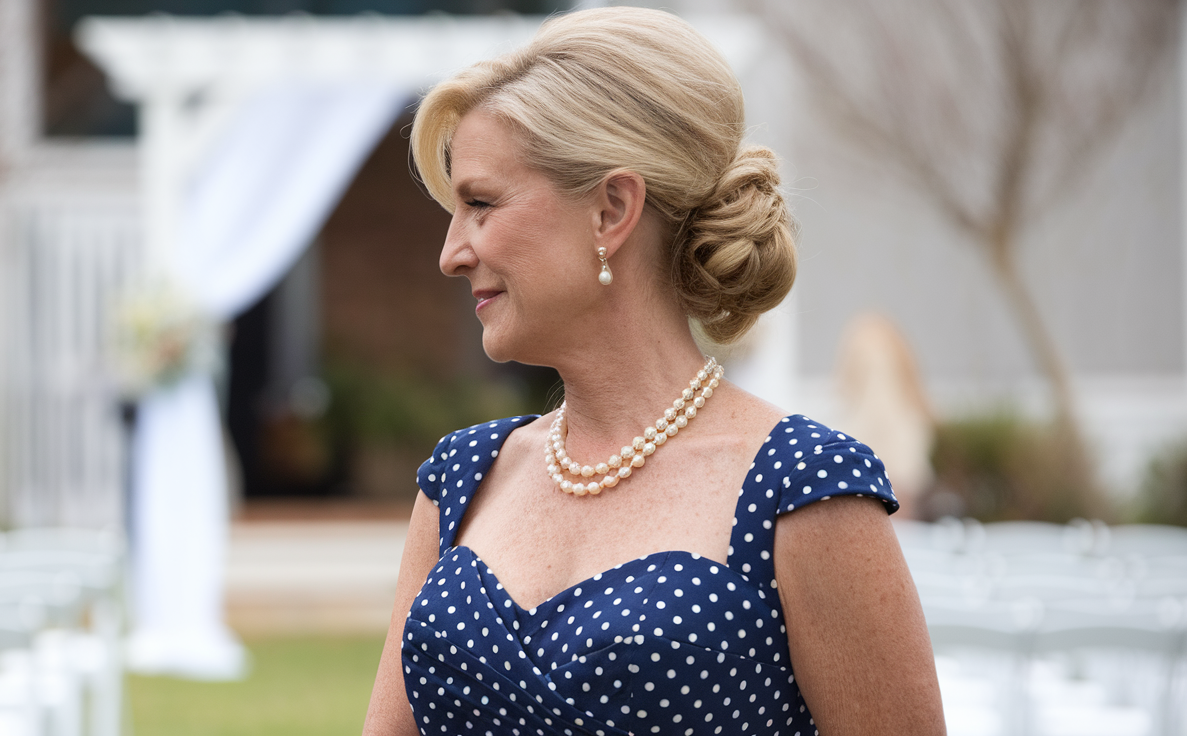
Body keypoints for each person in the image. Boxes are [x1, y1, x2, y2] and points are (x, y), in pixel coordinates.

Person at [364, 7, 944, 735]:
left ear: (611, 209)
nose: (451, 253)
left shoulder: (802, 491)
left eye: (480, 204)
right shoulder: (461, 481)